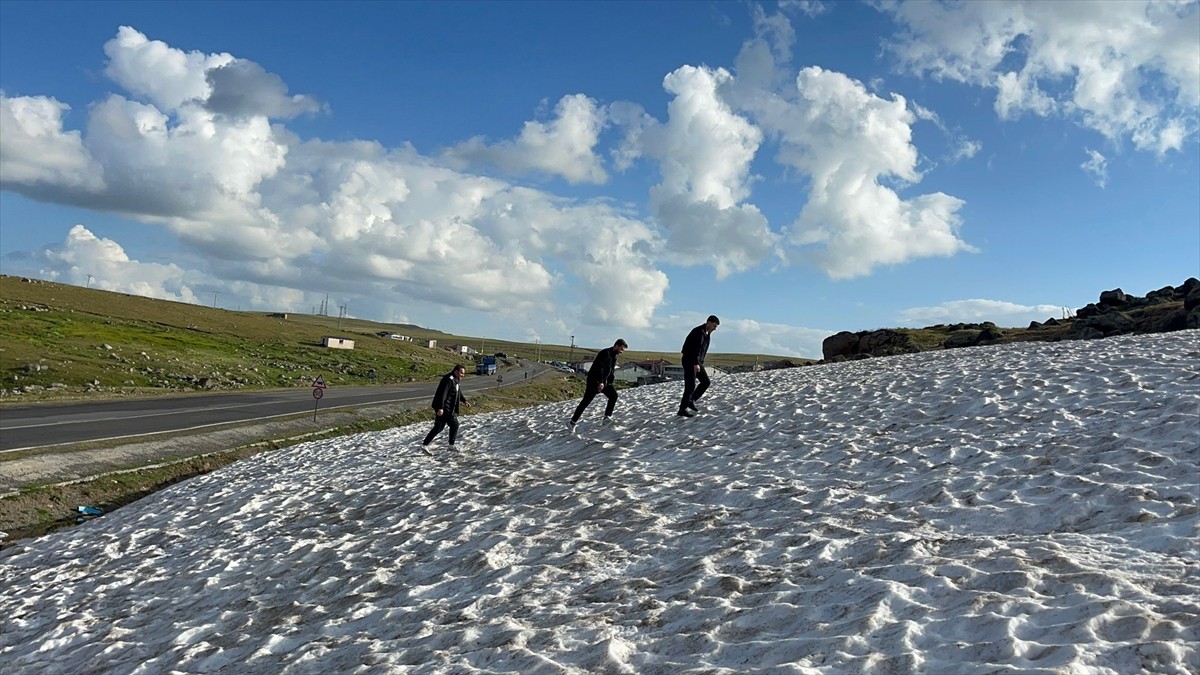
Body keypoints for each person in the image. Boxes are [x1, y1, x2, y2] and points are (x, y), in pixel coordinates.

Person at [569, 339, 628, 429]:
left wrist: (610, 382)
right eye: (621, 349)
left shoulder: (614, 356)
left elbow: (610, 370)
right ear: (616, 346)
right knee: (586, 401)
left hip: (604, 382)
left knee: (613, 396)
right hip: (594, 381)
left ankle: (606, 418)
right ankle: (572, 422)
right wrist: (600, 382)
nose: (621, 352)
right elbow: (599, 368)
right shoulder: (605, 353)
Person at [421, 364, 470, 453]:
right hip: (445, 407)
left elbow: (458, 392)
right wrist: (440, 407)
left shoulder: (456, 380)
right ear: (456, 371)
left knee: (439, 427)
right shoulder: (448, 379)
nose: (463, 375)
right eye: (461, 373)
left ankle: (425, 444)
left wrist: (464, 401)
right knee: (455, 424)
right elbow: (442, 394)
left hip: (445, 407)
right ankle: (451, 445)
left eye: (463, 373)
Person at [678, 315, 719, 417]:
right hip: (689, 361)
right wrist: (696, 363)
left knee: (706, 382)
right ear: (708, 322)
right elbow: (694, 350)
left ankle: (691, 400)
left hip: (697, 361)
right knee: (690, 385)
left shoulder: (707, 333)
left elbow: (702, 350)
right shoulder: (698, 332)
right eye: (714, 326)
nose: (715, 328)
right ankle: (682, 409)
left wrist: (700, 362)